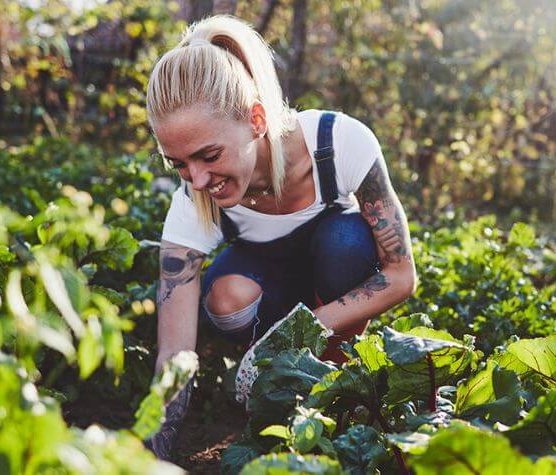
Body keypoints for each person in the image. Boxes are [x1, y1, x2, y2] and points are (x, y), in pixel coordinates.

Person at [144, 15, 416, 461]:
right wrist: (151, 452)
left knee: (346, 244)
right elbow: (175, 353)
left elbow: (402, 275)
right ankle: (271, 386)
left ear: (255, 120)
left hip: (332, 277)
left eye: (209, 155)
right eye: (178, 163)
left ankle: (333, 373)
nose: (195, 180)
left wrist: (294, 335)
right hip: (269, 282)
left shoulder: (339, 143)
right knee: (226, 300)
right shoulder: (192, 202)